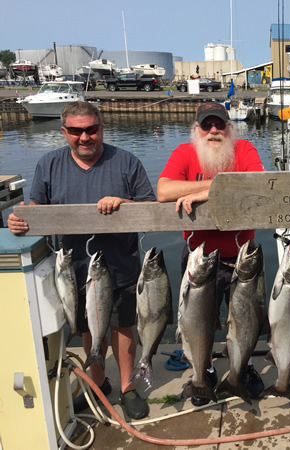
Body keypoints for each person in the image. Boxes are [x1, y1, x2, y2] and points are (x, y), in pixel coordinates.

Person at [7, 101, 156, 419]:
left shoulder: (126, 162)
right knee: (90, 325)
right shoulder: (49, 164)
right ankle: (98, 383)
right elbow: (36, 206)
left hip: (121, 264)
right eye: (76, 131)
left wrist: (124, 203)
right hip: (72, 269)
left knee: (123, 325)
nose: (84, 137)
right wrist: (20, 220)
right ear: (64, 132)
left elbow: (149, 208)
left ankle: (128, 385)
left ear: (101, 128)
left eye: (91, 129)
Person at [157, 102, 265, 405]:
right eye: (207, 125)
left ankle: (243, 368)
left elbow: (258, 182)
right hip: (199, 260)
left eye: (219, 125)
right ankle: (202, 371)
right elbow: (164, 191)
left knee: (247, 320)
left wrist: (204, 193)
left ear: (229, 128)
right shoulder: (183, 153)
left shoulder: (243, 149)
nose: (214, 131)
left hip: (244, 259)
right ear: (197, 130)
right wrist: (219, 186)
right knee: (197, 321)